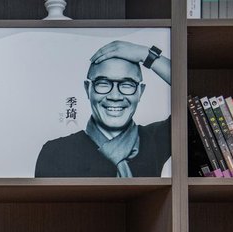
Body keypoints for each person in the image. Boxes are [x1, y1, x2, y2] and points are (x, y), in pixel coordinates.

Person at [35, 40, 172, 177]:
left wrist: (146, 54)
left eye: (127, 85)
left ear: (140, 92)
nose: (115, 96)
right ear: (87, 89)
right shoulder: (57, 151)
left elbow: (185, 91)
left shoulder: (154, 140)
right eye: (103, 84)